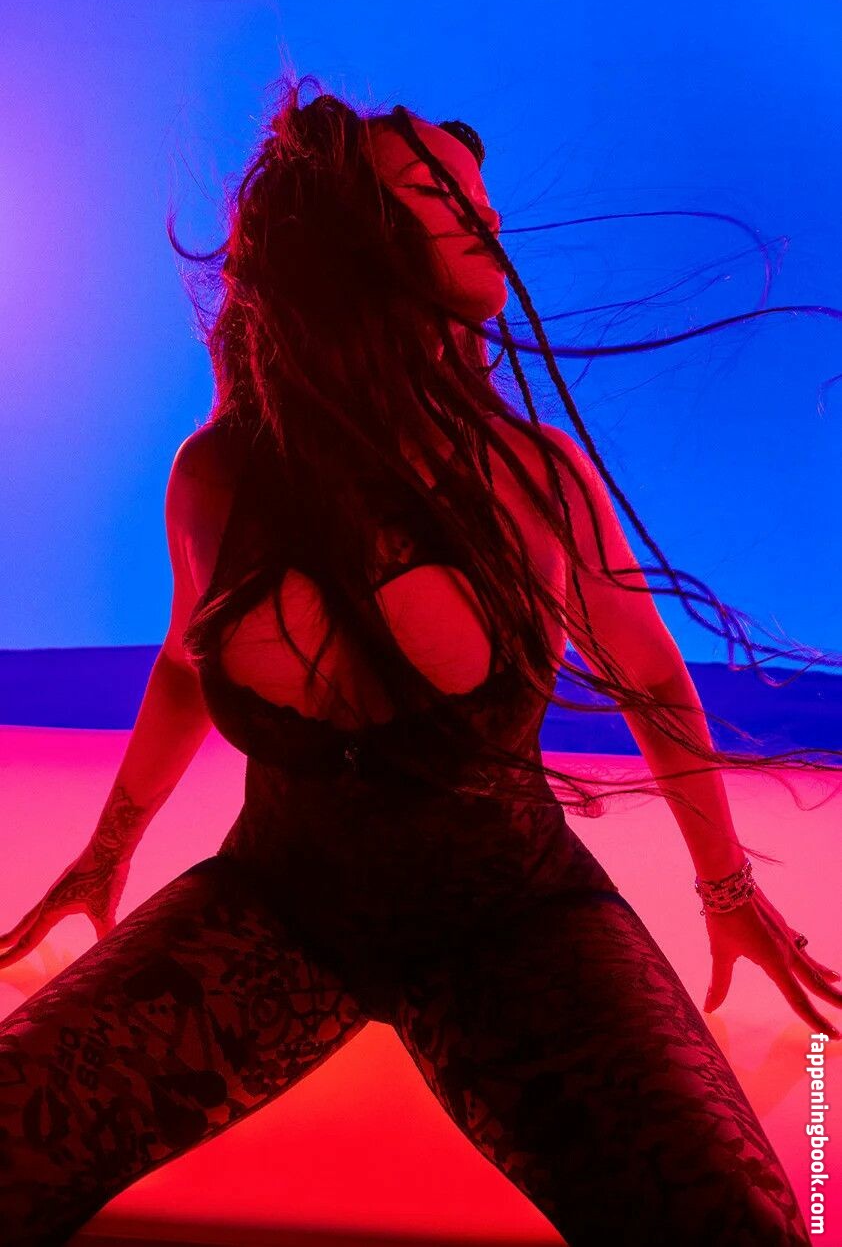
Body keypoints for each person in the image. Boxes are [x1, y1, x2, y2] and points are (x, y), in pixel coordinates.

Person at [0, 76, 838, 1246]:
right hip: (273, 907)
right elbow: (189, 664)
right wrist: (106, 851)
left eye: (480, 200)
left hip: (517, 919)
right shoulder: (219, 475)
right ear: (343, 233)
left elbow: (650, 676)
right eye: (438, 193)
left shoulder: (534, 477)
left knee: (730, 1225)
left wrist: (728, 892)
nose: (483, 215)